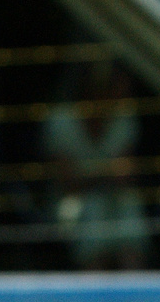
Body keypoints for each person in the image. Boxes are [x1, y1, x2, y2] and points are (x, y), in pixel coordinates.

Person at [41, 60, 151, 270]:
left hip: (116, 199)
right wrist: (107, 175)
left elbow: (128, 174)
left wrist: (100, 177)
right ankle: (93, 281)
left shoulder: (124, 118)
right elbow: (69, 185)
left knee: (129, 206)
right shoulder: (61, 121)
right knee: (93, 209)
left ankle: (135, 289)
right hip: (74, 204)